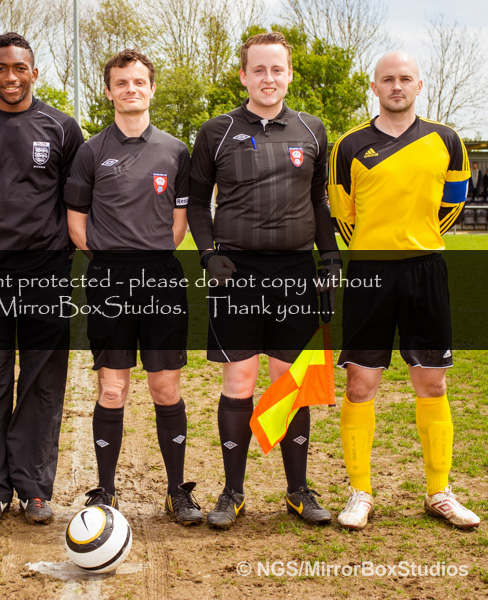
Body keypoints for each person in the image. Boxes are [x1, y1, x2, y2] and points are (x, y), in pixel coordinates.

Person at [188, 32, 340, 529]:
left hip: (295, 271)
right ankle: (232, 493)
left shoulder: (313, 129)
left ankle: (297, 491)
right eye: (259, 69)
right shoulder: (217, 131)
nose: (268, 78)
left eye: (277, 69)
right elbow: (197, 203)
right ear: (244, 75)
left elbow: (319, 200)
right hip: (236, 273)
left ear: (289, 74)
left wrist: (329, 257)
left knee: (290, 382)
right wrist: (208, 255)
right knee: (240, 380)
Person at [329, 50, 480, 530]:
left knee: (432, 382)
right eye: (388, 79)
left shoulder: (447, 140)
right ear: (374, 86)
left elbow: (454, 202)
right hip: (369, 274)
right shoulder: (349, 145)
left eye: (406, 78)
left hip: (426, 271)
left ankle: (439, 492)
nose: (397, 86)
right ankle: (360, 492)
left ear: (419, 85)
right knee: (360, 383)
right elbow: (343, 212)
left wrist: (418, 241)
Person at [0, 32, 83, 525]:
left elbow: (74, 201)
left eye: (19, 68)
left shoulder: (62, 128)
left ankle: (33, 488)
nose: (11, 77)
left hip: (46, 274)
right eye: (2, 68)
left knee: (42, 383)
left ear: (34, 72)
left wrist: (58, 257)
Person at [65, 49, 202, 524]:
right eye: (121, 82)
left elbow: (179, 225)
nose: (131, 89)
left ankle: (177, 490)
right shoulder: (90, 151)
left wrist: (147, 253)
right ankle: (105, 490)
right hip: (108, 278)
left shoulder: (175, 151)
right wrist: (113, 258)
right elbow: (77, 225)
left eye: (139, 81)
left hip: (161, 276)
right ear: (109, 91)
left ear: (151, 88)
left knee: (165, 387)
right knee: (112, 389)